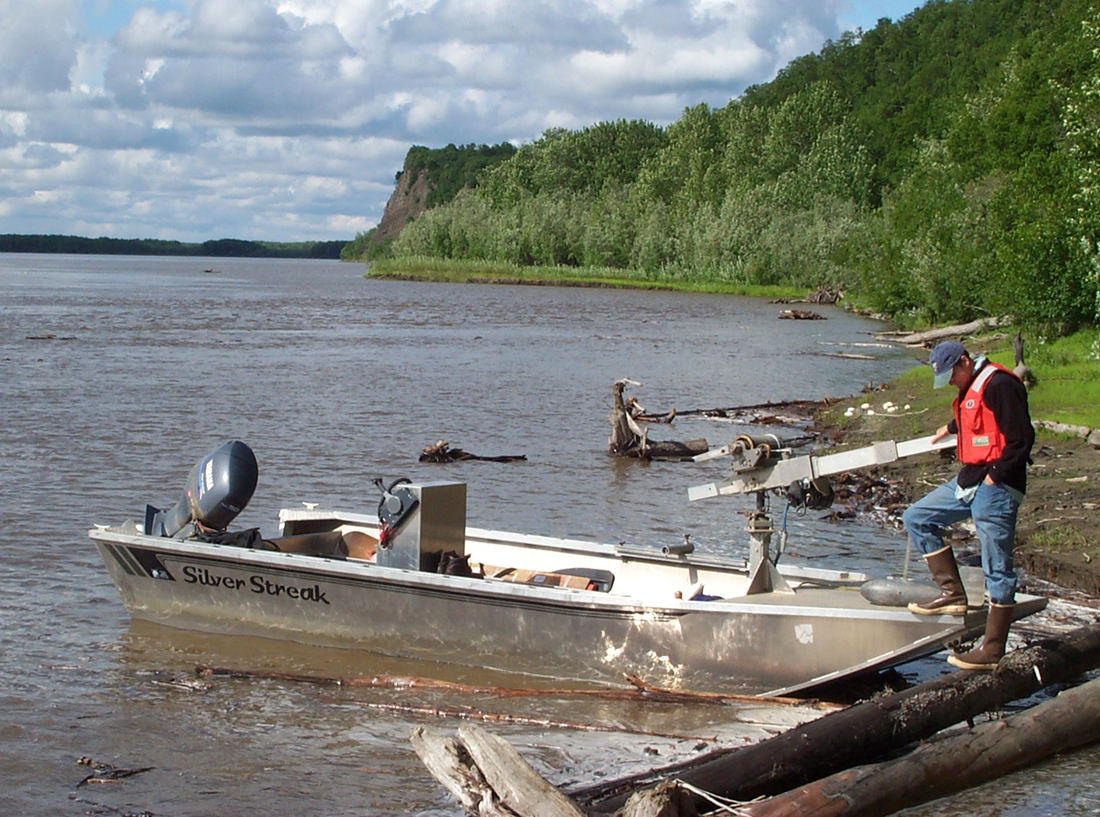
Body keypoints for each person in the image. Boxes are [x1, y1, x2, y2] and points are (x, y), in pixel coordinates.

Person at [902, 340, 1035, 670]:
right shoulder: (973, 384)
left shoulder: (1000, 384)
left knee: (997, 566)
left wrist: (995, 477)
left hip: (999, 483)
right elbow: (977, 419)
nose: (949, 382)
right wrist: (948, 428)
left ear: (964, 362)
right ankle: (952, 594)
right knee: (916, 517)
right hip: (972, 477)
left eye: (951, 374)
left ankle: (992, 650)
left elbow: (1021, 438)